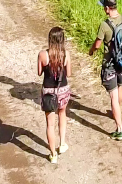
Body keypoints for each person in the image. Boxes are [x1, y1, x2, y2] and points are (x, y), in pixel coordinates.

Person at [89, 0, 122, 140]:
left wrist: (91, 51)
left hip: (110, 65)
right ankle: (116, 110)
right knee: (120, 87)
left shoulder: (105, 25)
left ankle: (119, 129)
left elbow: (97, 44)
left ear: (107, 8)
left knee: (113, 95)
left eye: (103, 7)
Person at [38, 27, 72, 164]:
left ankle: (53, 155)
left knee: (50, 124)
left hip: (48, 92)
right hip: (62, 90)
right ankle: (62, 144)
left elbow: (39, 72)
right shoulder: (66, 54)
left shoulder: (42, 54)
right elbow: (68, 74)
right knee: (62, 114)